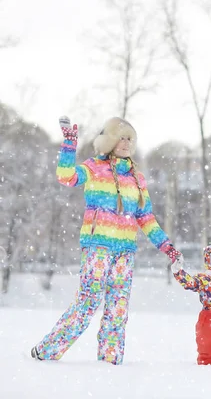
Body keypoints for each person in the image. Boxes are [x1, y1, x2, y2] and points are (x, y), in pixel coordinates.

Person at [30, 116, 182, 365]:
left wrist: (167, 247)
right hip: (97, 247)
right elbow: (66, 177)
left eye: (129, 138)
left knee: (118, 309)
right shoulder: (93, 167)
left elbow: (145, 218)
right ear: (109, 140)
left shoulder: (137, 179)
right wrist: (69, 146)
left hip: (125, 251)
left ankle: (110, 363)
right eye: (120, 137)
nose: (125, 143)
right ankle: (47, 352)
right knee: (87, 303)